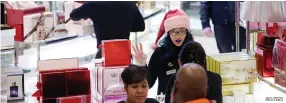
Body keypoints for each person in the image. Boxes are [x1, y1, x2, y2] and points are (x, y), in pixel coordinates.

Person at [132, 9, 194, 98]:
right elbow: (149, 83)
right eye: (173, 31)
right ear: (168, 33)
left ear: (187, 32)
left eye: (182, 30)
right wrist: (142, 64)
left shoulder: (193, 51)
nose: (178, 35)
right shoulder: (160, 53)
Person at [70, 1, 145, 58]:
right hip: (124, 52)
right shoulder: (130, 3)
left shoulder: (93, 4)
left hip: (104, 53)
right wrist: (123, 26)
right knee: (127, 77)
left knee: (101, 77)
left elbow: (73, 15)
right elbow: (140, 27)